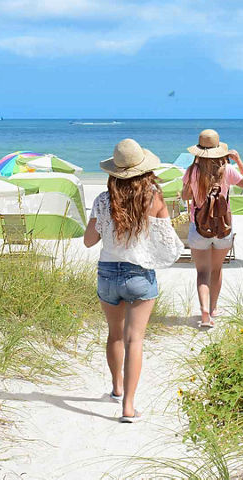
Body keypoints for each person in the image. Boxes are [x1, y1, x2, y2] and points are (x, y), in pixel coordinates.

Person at [83, 138, 171, 423]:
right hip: (139, 274)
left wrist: (107, 228)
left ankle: (117, 388)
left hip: (108, 272)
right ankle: (128, 407)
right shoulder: (154, 198)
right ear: (144, 171)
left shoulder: (102, 200)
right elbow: (168, 244)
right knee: (135, 340)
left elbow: (88, 241)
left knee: (115, 335)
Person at [183, 128, 243, 329]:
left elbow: (186, 197)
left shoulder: (192, 171)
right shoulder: (227, 170)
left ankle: (204, 311)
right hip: (223, 228)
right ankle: (214, 309)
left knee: (202, 272)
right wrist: (238, 161)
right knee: (216, 269)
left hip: (198, 228)